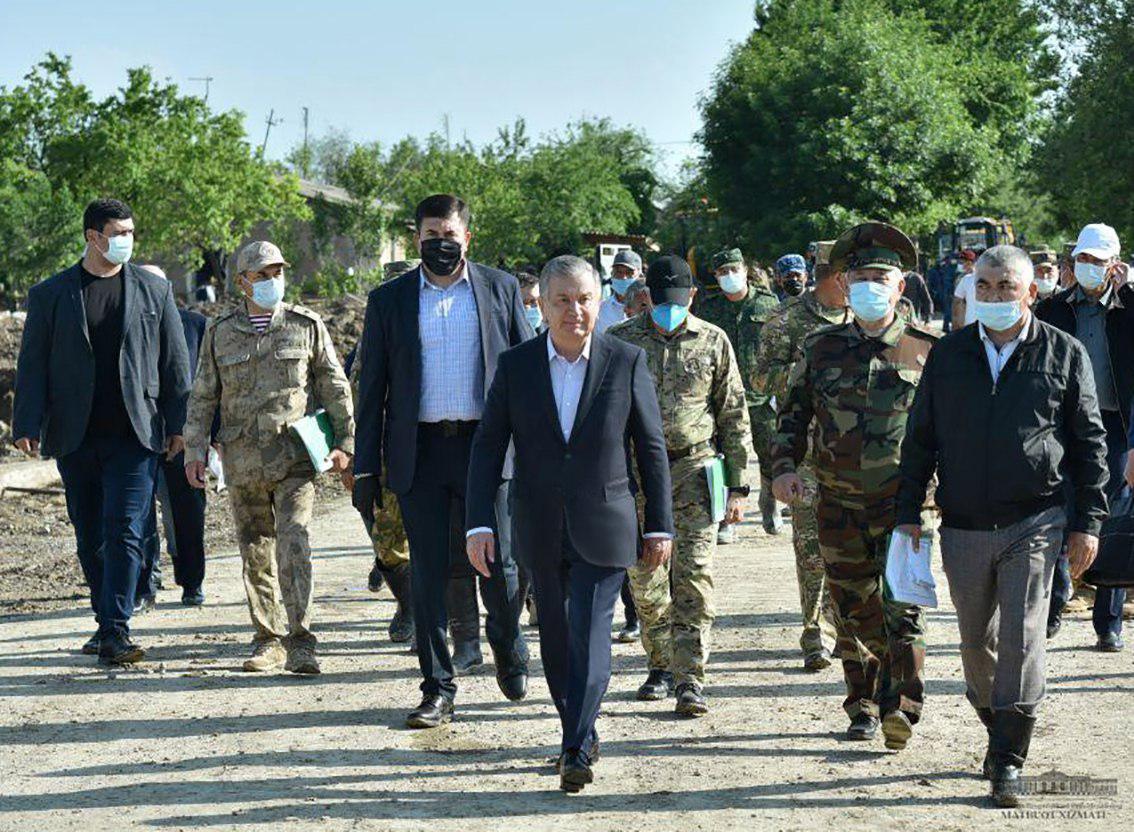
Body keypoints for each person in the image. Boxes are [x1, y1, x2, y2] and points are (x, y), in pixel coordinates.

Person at [897, 244, 1107, 808]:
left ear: (1030, 291)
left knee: (1021, 636)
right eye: (983, 287)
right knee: (976, 642)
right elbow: (920, 438)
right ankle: (998, 725)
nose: (993, 296)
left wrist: (1087, 522)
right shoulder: (950, 355)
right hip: (962, 522)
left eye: (1005, 287)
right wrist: (907, 513)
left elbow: (1089, 443)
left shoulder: (1064, 353)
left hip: (1035, 518)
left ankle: (1008, 757)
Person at [465, 255, 673, 792]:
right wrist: (477, 523)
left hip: (605, 521)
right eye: (562, 300)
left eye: (584, 299)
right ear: (543, 305)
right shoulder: (516, 366)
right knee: (557, 640)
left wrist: (660, 525)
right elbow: (488, 448)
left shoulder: (626, 361)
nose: (574, 311)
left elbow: (649, 447)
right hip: (536, 523)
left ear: (598, 302)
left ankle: (575, 746)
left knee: (591, 631)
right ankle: (576, 727)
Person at [353, 194, 532, 728]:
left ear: (466, 238)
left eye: (450, 235)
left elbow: (525, 372)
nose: (441, 243)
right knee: (428, 573)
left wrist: (538, 453)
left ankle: (507, 642)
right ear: (417, 240)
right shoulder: (390, 301)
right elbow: (373, 391)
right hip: (421, 453)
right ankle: (437, 686)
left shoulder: (499, 290)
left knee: (499, 566)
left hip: (488, 447)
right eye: (431, 235)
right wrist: (367, 469)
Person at [770, 221, 936, 747]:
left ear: (900, 286)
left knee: (903, 608)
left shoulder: (925, 351)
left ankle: (901, 708)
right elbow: (791, 417)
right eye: (861, 275)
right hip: (837, 502)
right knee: (851, 609)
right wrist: (783, 468)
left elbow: (948, 431)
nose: (870, 285)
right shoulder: (820, 349)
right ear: (845, 284)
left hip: (904, 505)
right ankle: (861, 705)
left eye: (880, 276)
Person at [12, 198, 191, 664]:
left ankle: (116, 629)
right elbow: (31, 365)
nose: (127, 240)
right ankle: (104, 618)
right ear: (93, 236)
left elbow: (175, 363)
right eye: (119, 232)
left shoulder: (155, 290)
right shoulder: (52, 294)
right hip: (75, 434)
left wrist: (180, 425)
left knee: (126, 528)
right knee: (89, 532)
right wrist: (26, 422)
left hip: (136, 433)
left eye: (131, 232)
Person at [183, 240, 354, 675]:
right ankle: (268, 639)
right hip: (242, 460)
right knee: (256, 550)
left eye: (276, 273)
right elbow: (203, 396)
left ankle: (302, 640)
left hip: (294, 458)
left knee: (295, 542)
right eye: (260, 275)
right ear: (242, 282)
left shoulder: (305, 325)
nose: (270, 281)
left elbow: (334, 386)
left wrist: (347, 443)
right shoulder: (219, 332)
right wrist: (195, 450)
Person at [609, 255, 753, 716]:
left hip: (695, 471)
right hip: (636, 479)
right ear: (647, 296)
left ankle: (691, 679)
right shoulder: (619, 342)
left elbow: (733, 414)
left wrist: (737, 486)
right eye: (660, 301)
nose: (669, 309)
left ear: (692, 296)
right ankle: (661, 664)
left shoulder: (714, 341)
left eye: (679, 300)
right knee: (646, 580)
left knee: (693, 579)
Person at [1036, 222, 1134, 651]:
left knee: (1110, 513)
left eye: (1097, 260)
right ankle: (1057, 601)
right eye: (1082, 258)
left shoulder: (1130, 308)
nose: (1088, 266)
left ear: (1114, 263)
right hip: (1063, 424)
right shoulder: (1054, 309)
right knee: (1060, 507)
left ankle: (1108, 620)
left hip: (1115, 425)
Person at [750, 243, 846, 672]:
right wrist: (806, 372)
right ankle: (815, 634)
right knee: (811, 548)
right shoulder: (788, 320)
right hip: (806, 453)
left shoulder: (863, 319)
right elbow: (759, 376)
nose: (850, 284)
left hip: (855, 456)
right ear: (824, 275)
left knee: (849, 546)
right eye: (843, 275)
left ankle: (842, 626)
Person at [343, 259, 420, 642]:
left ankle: (432, 621)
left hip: (433, 455)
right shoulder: (365, 346)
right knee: (388, 546)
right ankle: (408, 605)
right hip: (384, 460)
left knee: (437, 544)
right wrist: (352, 458)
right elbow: (350, 403)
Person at [136, 264, 211, 608]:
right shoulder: (128, 325)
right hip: (138, 435)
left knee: (186, 514)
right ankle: (144, 582)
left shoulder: (195, 325)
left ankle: (191, 581)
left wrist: (212, 435)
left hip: (185, 437)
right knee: (137, 515)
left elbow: (209, 382)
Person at [695, 248, 780, 547]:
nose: (729, 277)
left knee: (770, 455)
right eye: (722, 273)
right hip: (723, 397)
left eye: (734, 270)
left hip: (760, 395)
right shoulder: (709, 309)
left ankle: (769, 503)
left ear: (744, 270)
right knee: (726, 458)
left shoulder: (768, 304)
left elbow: (780, 347)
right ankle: (726, 521)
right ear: (716, 278)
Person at [596, 249, 642, 334]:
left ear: (640, 276)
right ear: (612, 274)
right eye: (619, 272)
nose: (623, 277)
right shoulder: (600, 310)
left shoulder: (649, 310)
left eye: (629, 272)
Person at [951, 249, 979, 327]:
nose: (960, 265)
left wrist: (956, 323)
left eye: (961, 262)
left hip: (969, 322)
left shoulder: (966, 279)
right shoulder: (962, 278)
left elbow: (957, 302)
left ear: (969, 263)